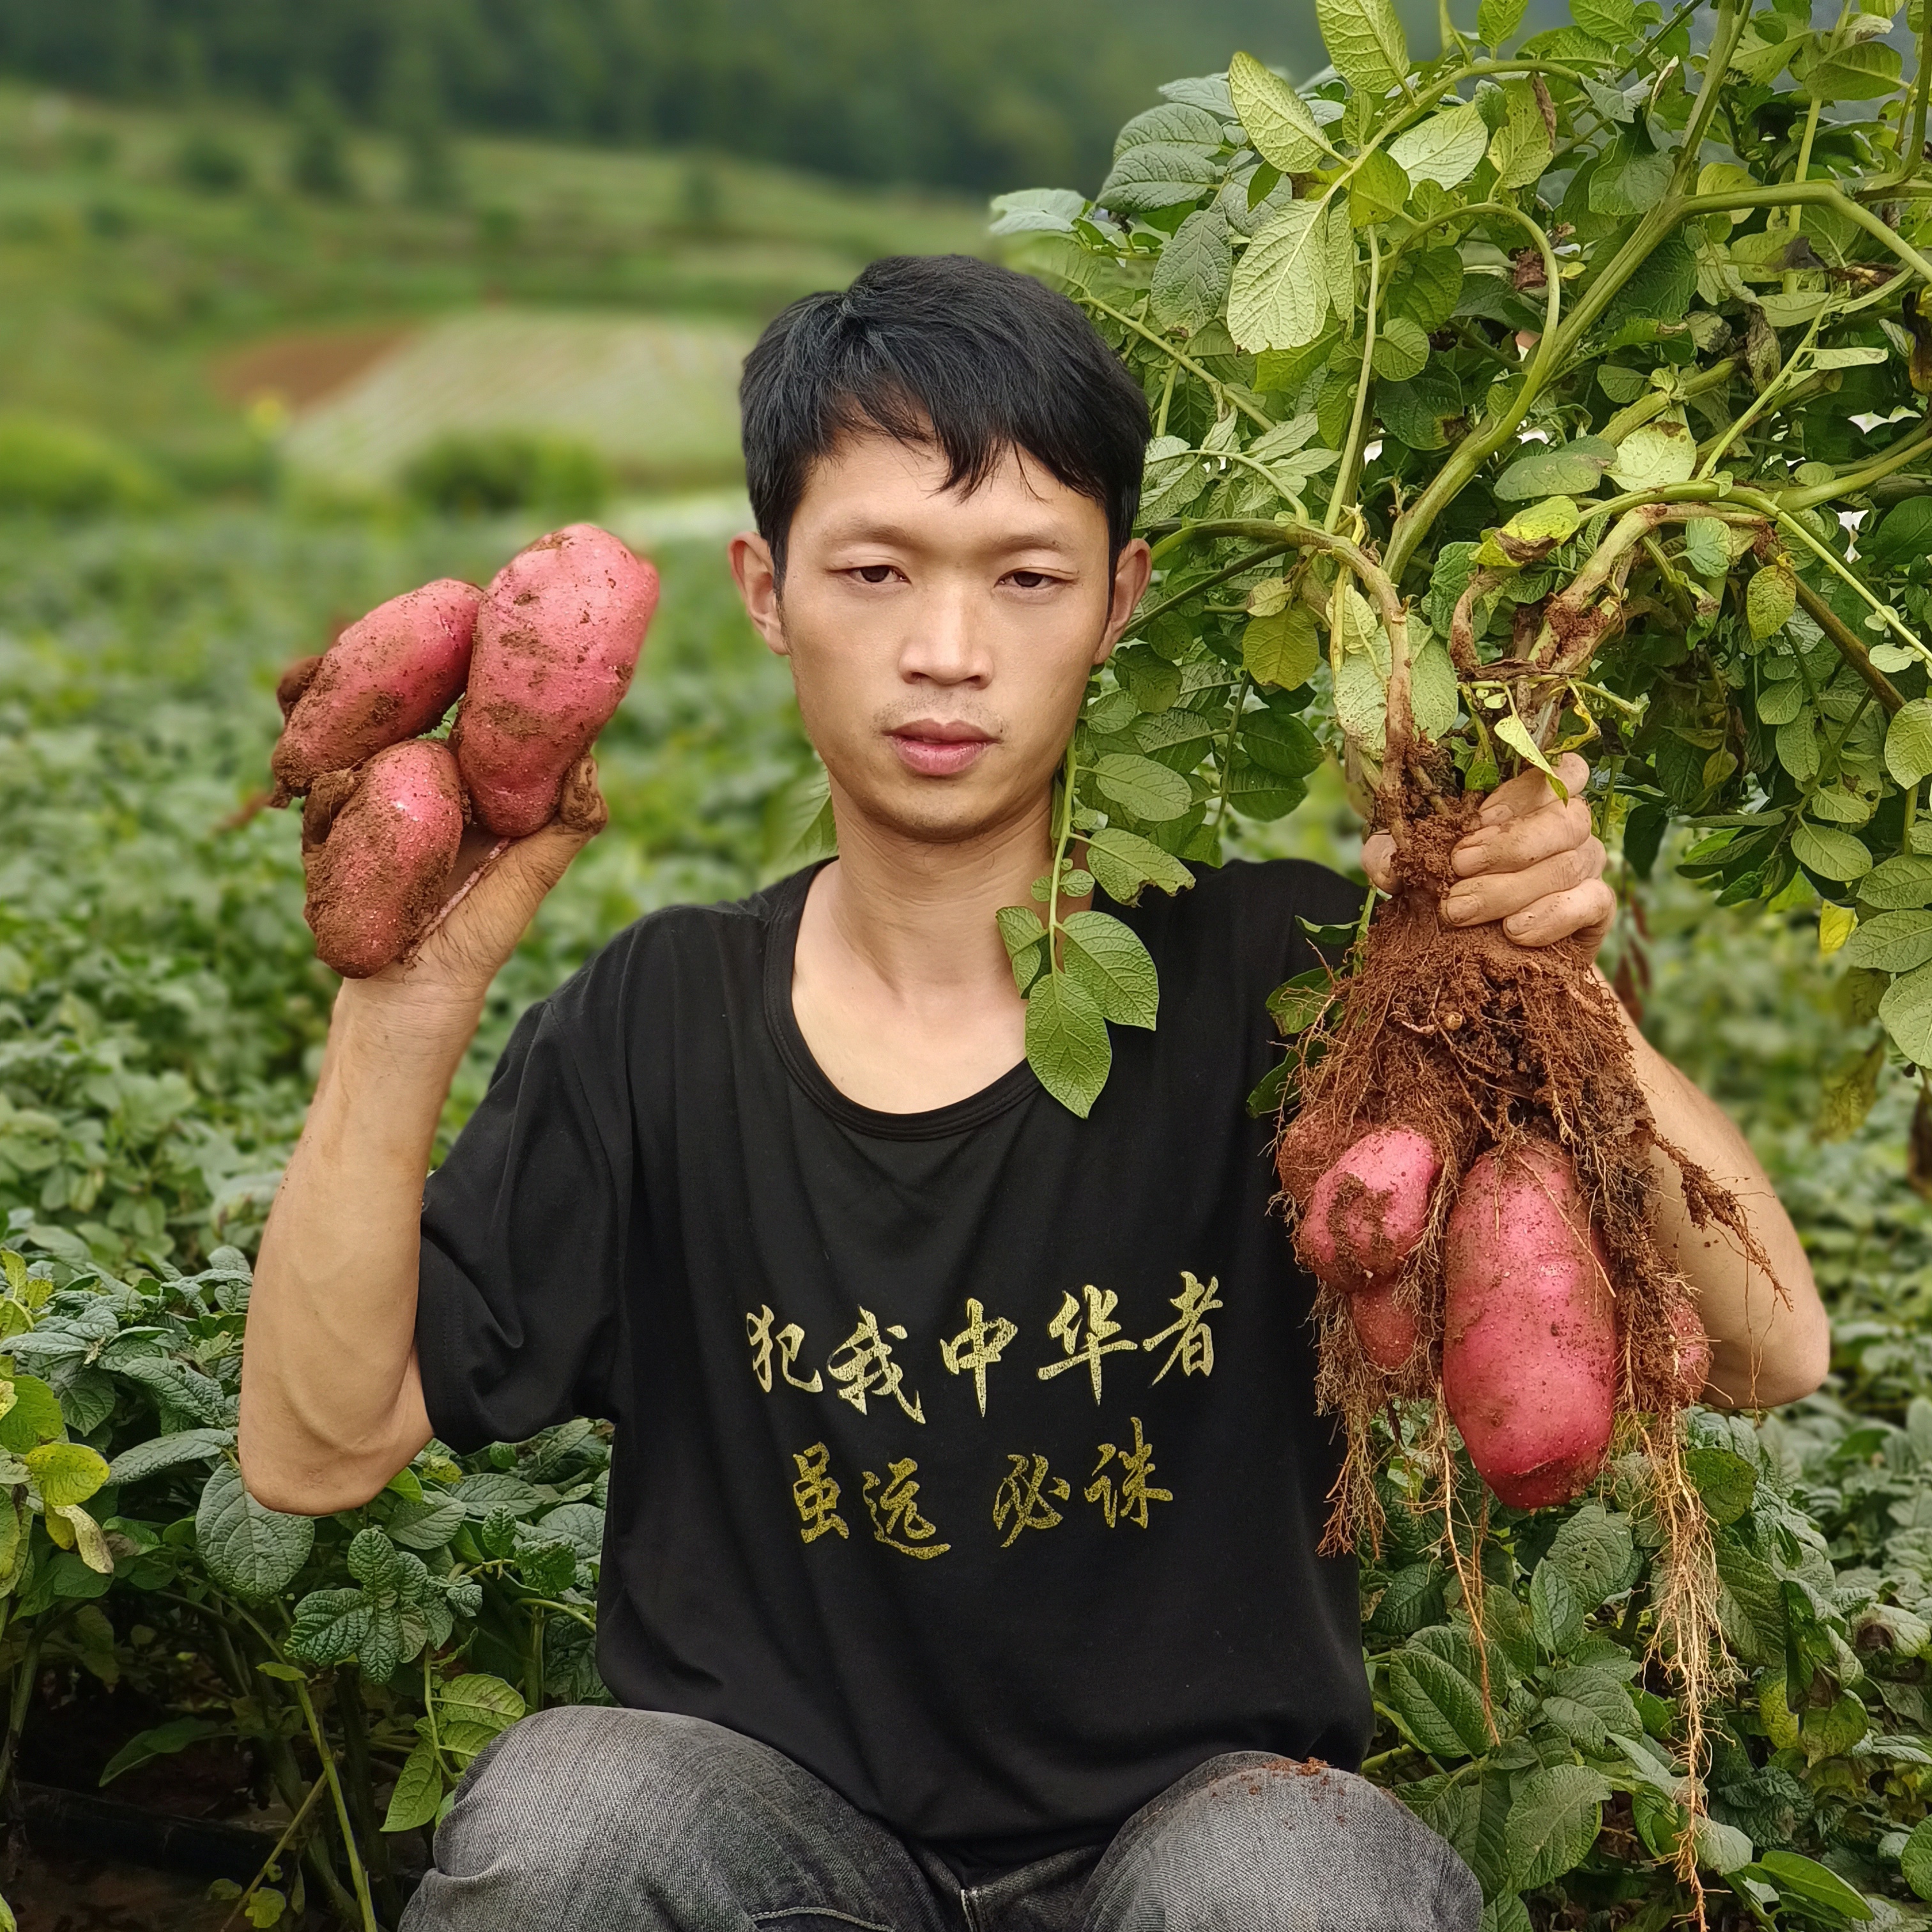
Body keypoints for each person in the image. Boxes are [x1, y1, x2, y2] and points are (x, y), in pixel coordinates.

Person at [239, 255, 1828, 1932]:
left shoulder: (1296, 985)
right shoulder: (658, 1024)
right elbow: (314, 1447)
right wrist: (406, 1001)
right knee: (568, 1819)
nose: (948, 653)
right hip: (778, 1856)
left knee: (1297, 1881)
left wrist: (1539, 978)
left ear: (1120, 598)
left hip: (1192, 1847)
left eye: (1025, 576)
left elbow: (1770, 1351)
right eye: (875, 571)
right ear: (766, 589)